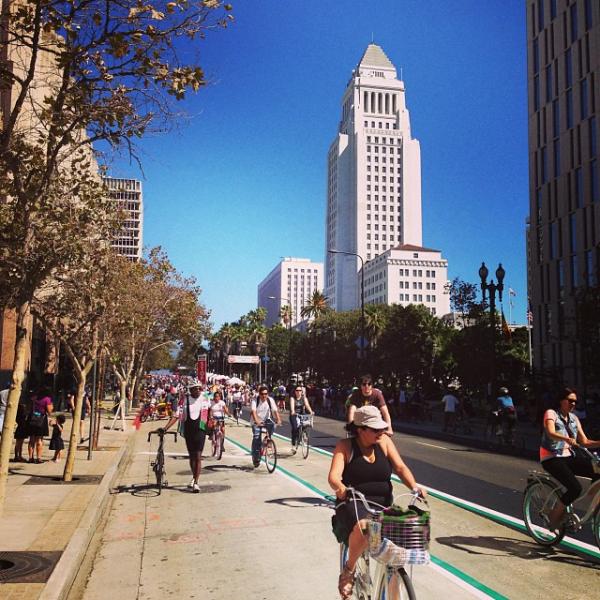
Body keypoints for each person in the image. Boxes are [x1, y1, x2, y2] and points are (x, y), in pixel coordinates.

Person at [328, 406, 427, 599]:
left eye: (382, 428)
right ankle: (348, 571)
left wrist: (414, 487)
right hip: (353, 502)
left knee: (406, 534)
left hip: (383, 505)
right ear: (360, 429)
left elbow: (400, 467)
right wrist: (340, 488)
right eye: (375, 429)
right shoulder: (345, 446)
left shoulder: (384, 442)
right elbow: (334, 476)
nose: (380, 432)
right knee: (366, 527)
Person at [540, 387, 600, 529]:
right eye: (570, 401)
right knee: (575, 488)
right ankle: (553, 517)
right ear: (561, 401)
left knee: (597, 468)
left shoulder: (574, 419)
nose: (573, 404)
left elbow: (585, 442)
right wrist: (566, 439)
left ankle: (593, 501)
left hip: (568, 457)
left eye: (575, 402)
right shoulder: (551, 413)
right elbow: (550, 432)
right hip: (551, 458)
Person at [164, 380, 211, 493]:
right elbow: (176, 415)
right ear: (190, 390)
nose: (198, 390)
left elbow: (209, 411)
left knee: (198, 456)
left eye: (199, 388)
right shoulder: (184, 400)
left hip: (200, 429)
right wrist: (165, 428)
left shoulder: (205, 398)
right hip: (189, 431)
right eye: (195, 388)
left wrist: (211, 423)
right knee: (192, 457)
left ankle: (196, 482)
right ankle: (194, 476)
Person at [250, 385, 282, 467]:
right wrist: (257, 421)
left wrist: (278, 419)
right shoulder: (255, 400)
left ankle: (269, 439)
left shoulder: (270, 400)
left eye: (266, 394)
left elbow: (275, 411)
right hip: (256, 420)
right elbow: (253, 412)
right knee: (257, 437)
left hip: (266, 419)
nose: (264, 396)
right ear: (259, 394)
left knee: (272, 425)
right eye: (262, 394)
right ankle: (255, 456)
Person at [28, 387, 53, 463]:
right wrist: (51, 406)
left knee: (31, 439)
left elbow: (29, 408)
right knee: (39, 440)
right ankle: (38, 458)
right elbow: (49, 411)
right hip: (41, 420)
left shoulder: (33, 398)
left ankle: (30, 458)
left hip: (32, 419)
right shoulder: (47, 399)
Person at [289, 385, 314, 454]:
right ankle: (294, 444)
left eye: (300, 390)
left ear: (302, 392)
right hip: (294, 415)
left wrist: (311, 411)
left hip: (301, 414)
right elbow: (292, 407)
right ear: (295, 391)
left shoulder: (304, 398)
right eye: (297, 390)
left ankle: (304, 433)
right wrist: (293, 411)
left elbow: (307, 405)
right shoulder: (292, 398)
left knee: (306, 423)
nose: (298, 392)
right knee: (295, 428)